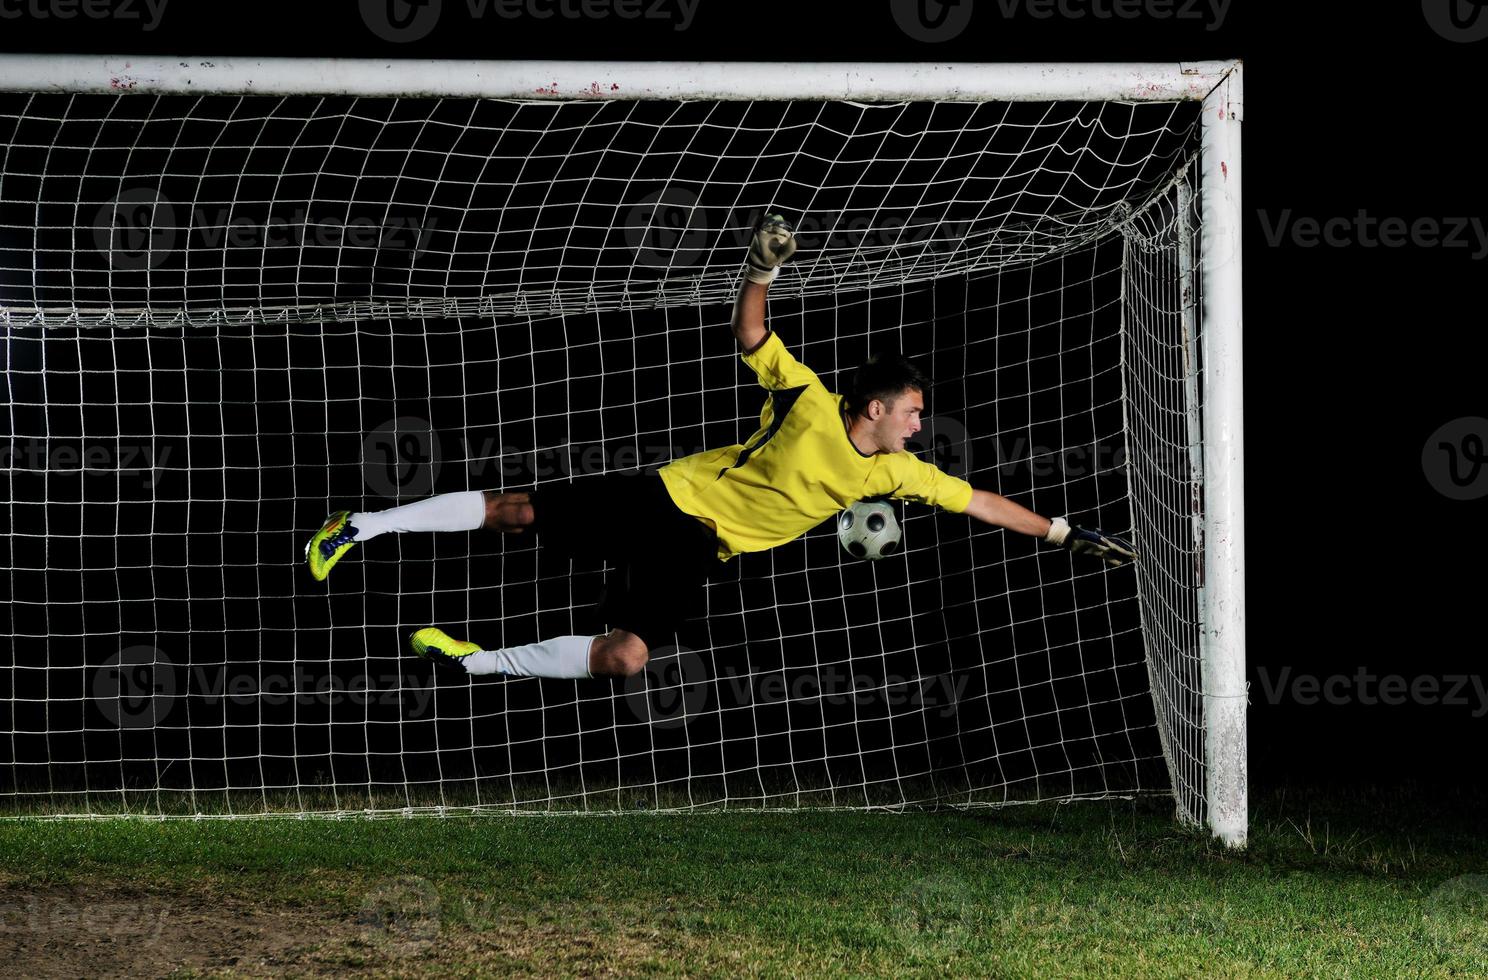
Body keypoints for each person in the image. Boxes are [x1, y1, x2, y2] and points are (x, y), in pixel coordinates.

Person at [304, 215, 1136, 680]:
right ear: (876, 406)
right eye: (914, 413)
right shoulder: (809, 399)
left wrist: (1062, 531)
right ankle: (362, 527)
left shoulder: (902, 472)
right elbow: (750, 330)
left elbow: (983, 501)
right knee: (515, 512)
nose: (923, 426)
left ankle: (475, 664)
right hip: (667, 496)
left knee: (627, 660)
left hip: (704, 550)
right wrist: (760, 267)